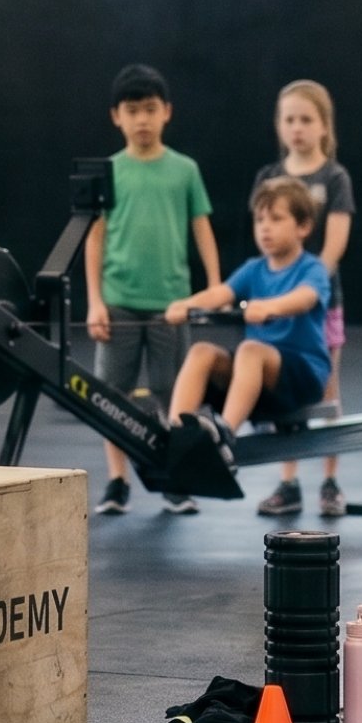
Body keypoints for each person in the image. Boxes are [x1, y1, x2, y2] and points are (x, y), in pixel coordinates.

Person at [86, 64, 219, 516]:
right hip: (118, 303)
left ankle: (173, 478)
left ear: (166, 112)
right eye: (132, 110)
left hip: (172, 305)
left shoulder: (184, 170)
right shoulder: (108, 171)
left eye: (149, 109)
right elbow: (95, 238)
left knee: (173, 393)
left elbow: (202, 229)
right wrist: (95, 301)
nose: (141, 119)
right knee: (110, 396)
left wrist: (214, 288)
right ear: (116, 116)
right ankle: (118, 480)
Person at [162, 177, 332, 477]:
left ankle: (224, 438)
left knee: (250, 349)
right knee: (202, 352)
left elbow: (306, 298)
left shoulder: (312, 268)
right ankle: (176, 439)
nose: (265, 228)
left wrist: (270, 306)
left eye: (276, 219)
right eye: (259, 220)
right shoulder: (254, 268)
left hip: (303, 376)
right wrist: (186, 305)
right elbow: (220, 294)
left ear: (303, 227)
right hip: (258, 375)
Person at [253, 80, 355, 518]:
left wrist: (308, 289)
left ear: (323, 126)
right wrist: (277, 295)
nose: (297, 128)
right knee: (286, 393)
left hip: (321, 304)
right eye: (289, 119)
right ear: (279, 125)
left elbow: (334, 245)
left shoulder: (334, 178)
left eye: (306, 119)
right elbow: (266, 238)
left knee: (327, 388)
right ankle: (288, 482)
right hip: (277, 305)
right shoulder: (268, 178)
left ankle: (330, 481)